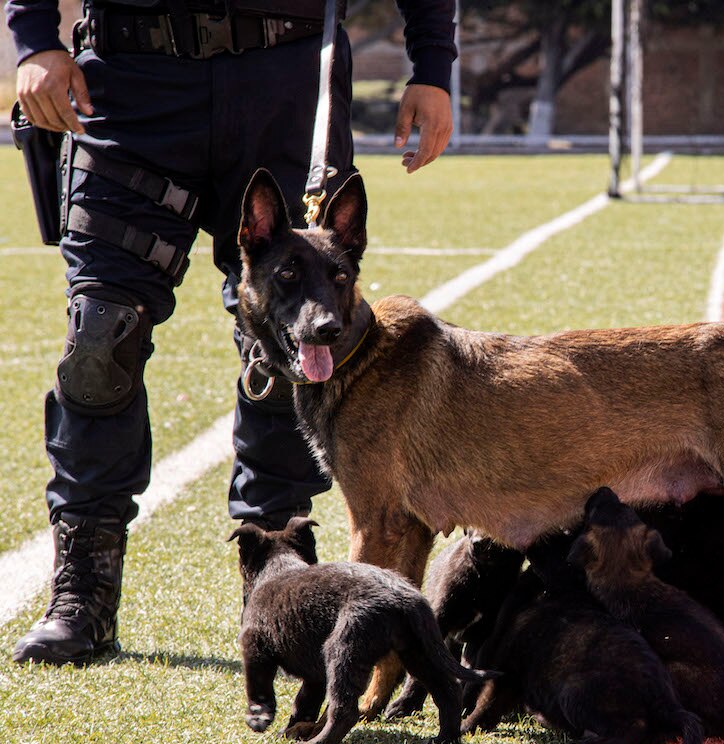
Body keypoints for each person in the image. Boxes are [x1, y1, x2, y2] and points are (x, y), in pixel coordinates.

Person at [6, 0, 456, 665]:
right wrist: (34, 38)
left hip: (286, 76)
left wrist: (433, 64)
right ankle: (83, 598)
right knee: (100, 339)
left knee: (291, 350)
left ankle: (280, 595)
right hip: (130, 84)